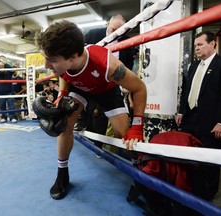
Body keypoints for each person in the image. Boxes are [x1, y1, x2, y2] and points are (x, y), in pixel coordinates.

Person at [34, 20, 146, 200]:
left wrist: (138, 124)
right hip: (80, 89)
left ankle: (142, 176)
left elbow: (139, 88)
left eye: (52, 60)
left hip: (107, 91)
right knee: (64, 124)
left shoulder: (107, 65)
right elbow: (64, 74)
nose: (47, 66)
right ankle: (62, 174)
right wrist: (62, 93)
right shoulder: (63, 61)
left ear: (73, 56)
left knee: (124, 134)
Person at [175, 31, 221, 200]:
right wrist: (181, 111)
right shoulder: (193, 66)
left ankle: (209, 194)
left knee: (210, 158)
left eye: (200, 45)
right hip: (190, 118)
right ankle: (192, 189)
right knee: (190, 156)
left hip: (212, 122)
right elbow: (186, 91)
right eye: (195, 46)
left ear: (213, 44)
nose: (196, 49)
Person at [83, 14, 135, 152]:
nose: (117, 34)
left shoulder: (127, 41)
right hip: (92, 78)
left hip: (113, 81)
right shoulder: (93, 34)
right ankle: (96, 145)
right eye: (113, 30)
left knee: (118, 119)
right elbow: (80, 54)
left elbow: (128, 64)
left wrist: (125, 83)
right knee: (94, 114)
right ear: (107, 25)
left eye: (121, 31)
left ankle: (121, 151)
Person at [0, 55, 17, 123]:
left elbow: (13, 71)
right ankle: (4, 117)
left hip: (9, 90)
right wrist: (1, 69)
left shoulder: (8, 68)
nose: (2, 61)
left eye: (3, 60)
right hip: (0, 91)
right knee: (1, 105)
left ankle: (13, 117)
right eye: (1, 60)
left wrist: (5, 64)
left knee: (11, 105)